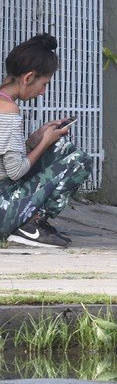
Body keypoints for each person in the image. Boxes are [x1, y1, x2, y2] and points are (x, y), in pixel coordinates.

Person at [0, 35, 95, 249]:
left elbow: (4, 161)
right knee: (80, 161)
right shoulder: (8, 111)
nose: (42, 92)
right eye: (43, 84)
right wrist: (44, 143)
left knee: (62, 148)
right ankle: (32, 225)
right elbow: (15, 172)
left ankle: (29, 223)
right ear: (28, 77)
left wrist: (34, 140)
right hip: (3, 205)